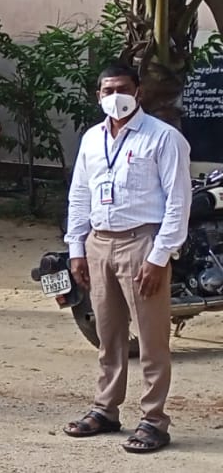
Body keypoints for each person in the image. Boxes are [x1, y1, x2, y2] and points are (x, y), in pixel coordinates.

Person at [61, 63, 189, 454]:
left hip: (142, 243)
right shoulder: (91, 139)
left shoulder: (163, 138)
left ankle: (153, 419)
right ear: (97, 95)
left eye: (122, 88)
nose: (114, 96)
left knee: (151, 339)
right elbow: (79, 194)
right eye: (107, 90)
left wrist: (159, 256)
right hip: (99, 243)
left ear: (138, 91)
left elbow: (178, 201)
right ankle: (105, 409)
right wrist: (76, 247)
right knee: (108, 336)